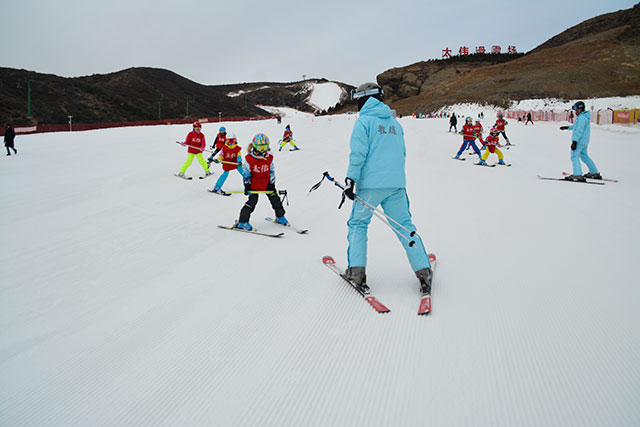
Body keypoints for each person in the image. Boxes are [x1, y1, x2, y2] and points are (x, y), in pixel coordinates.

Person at [342, 82, 432, 294]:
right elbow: (401, 153)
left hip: (371, 186)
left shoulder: (363, 122)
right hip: (396, 185)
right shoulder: (395, 124)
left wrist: (350, 180)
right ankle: (423, 270)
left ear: (362, 99)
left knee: (358, 224)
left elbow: (358, 154)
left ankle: (356, 272)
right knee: (404, 225)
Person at [234, 133, 288, 230]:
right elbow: (246, 174)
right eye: (260, 147)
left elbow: (271, 171)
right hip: (254, 184)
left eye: (265, 147)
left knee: (275, 200)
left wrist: (272, 184)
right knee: (252, 202)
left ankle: (280, 217)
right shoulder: (249, 158)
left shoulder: (269, 157)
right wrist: (247, 186)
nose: (263, 150)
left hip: (266, 183)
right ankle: (242, 222)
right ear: (254, 147)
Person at [560, 101, 601, 181]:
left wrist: (574, 142)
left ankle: (577, 174)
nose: (575, 112)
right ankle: (594, 172)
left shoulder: (581, 118)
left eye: (576, 110)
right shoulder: (584, 117)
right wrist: (567, 127)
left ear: (581, 109)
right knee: (584, 156)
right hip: (584, 141)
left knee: (574, 156)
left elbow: (579, 130)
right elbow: (576, 127)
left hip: (579, 141)